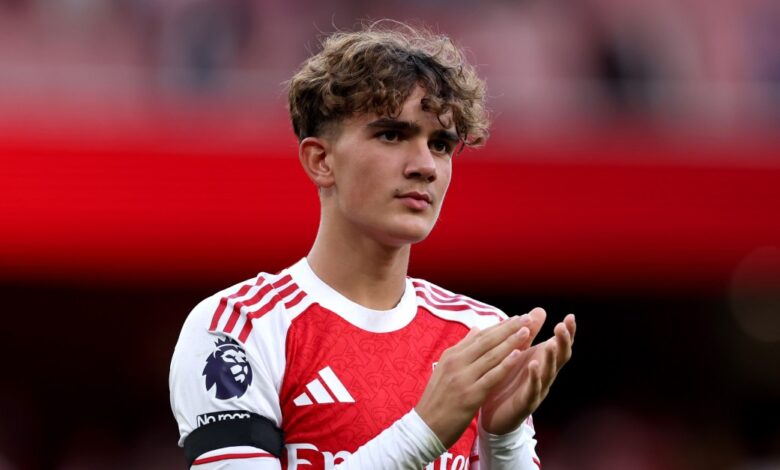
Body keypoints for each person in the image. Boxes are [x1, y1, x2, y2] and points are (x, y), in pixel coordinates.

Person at [169, 20, 576, 469]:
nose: (425, 166)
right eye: (392, 135)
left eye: (441, 144)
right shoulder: (239, 328)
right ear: (321, 160)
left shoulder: (477, 332)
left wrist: (503, 438)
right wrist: (425, 430)